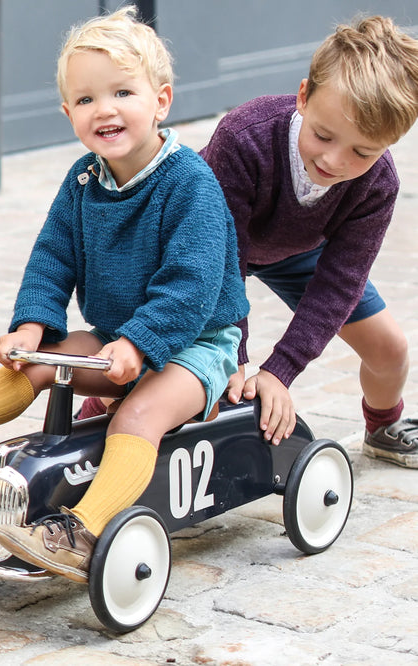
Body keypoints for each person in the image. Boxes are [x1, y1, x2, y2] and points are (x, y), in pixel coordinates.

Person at [0, 6, 248, 582]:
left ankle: (85, 529)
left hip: (195, 343)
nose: (103, 109)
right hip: (114, 336)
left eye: (122, 92)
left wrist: (140, 343)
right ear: (67, 113)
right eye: (85, 100)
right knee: (35, 364)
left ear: (162, 100)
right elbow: (52, 258)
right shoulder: (83, 180)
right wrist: (32, 324)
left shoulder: (190, 185)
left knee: (140, 415)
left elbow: (192, 286)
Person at [80, 15, 418, 468]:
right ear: (303, 96)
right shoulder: (246, 135)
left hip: (296, 249)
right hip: (197, 240)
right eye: (323, 135)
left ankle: (383, 428)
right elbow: (223, 254)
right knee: (153, 346)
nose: (335, 161)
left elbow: (339, 284)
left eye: (362, 151)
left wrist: (280, 370)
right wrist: (232, 358)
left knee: (390, 350)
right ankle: (87, 430)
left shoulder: (377, 184)